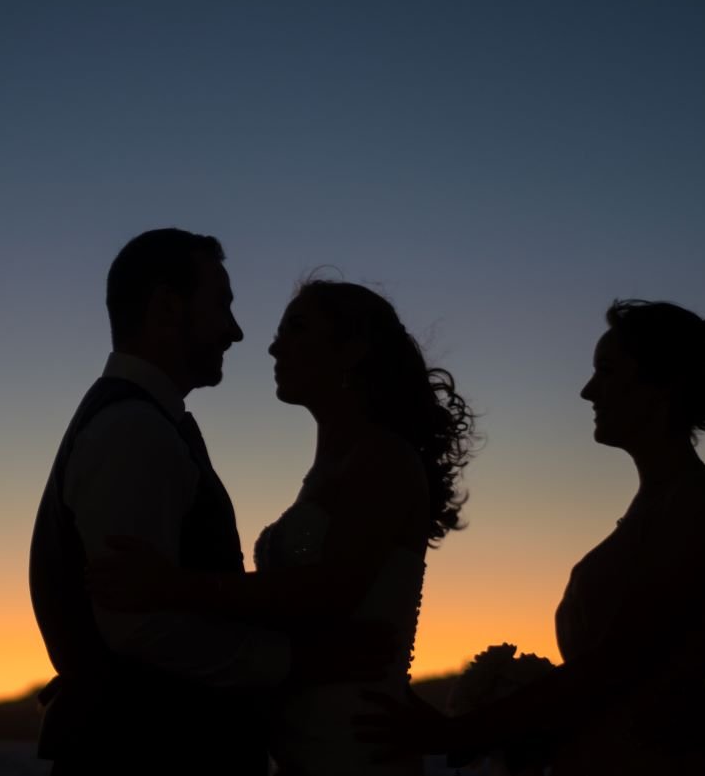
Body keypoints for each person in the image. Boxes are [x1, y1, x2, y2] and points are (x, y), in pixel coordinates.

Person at [92, 278, 476, 776]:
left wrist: (171, 586)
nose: (273, 346)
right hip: (302, 742)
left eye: (296, 329)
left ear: (353, 349)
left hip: (357, 743)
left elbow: (327, 593)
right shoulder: (331, 470)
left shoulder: (385, 459)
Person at [356, 300, 705, 776]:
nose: (588, 390)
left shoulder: (698, 503)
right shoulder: (662, 503)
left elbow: (616, 664)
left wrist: (458, 732)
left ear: (661, 385)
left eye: (606, 370)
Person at [28, 228, 283, 776]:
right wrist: (287, 665)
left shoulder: (140, 420)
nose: (235, 332)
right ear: (167, 309)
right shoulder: (132, 429)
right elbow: (138, 629)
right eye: (222, 306)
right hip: (150, 752)